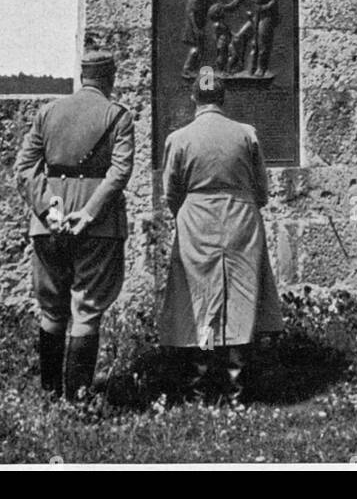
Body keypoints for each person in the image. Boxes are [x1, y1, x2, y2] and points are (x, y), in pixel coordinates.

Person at [14, 49, 134, 398]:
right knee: (87, 310)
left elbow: (25, 169)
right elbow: (120, 171)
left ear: (82, 75)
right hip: (98, 228)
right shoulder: (117, 116)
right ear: (109, 76)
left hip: (48, 224)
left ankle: (50, 395)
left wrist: (50, 210)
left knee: (52, 309)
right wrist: (90, 211)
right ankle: (78, 400)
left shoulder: (48, 112)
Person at [159, 68, 283, 401]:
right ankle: (236, 389)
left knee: (198, 299)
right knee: (240, 298)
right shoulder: (246, 134)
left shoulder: (179, 138)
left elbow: (171, 193)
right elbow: (262, 190)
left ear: (193, 98)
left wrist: (186, 214)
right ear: (223, 98)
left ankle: (199, 387)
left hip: (196, 220)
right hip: (241, 219)